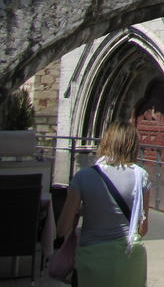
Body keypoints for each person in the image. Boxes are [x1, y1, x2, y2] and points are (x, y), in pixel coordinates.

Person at [57, 121, 150, 287]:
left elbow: (62, 228)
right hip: (130, 261)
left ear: (106, 142)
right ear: (133, 145)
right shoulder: (141, 176)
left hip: (93, 260)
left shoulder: (83, 177)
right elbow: (142, 228)